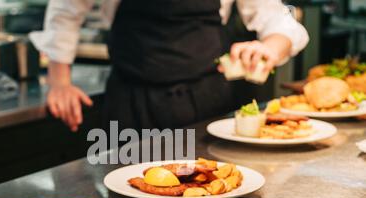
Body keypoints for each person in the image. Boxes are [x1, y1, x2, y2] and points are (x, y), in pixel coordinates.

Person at [30, 0, 309, 132]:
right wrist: (59, 82)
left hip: (207, 100)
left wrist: (269, 48)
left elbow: (278, 19)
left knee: (211, 196)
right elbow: (66, 11)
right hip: (131, 102)